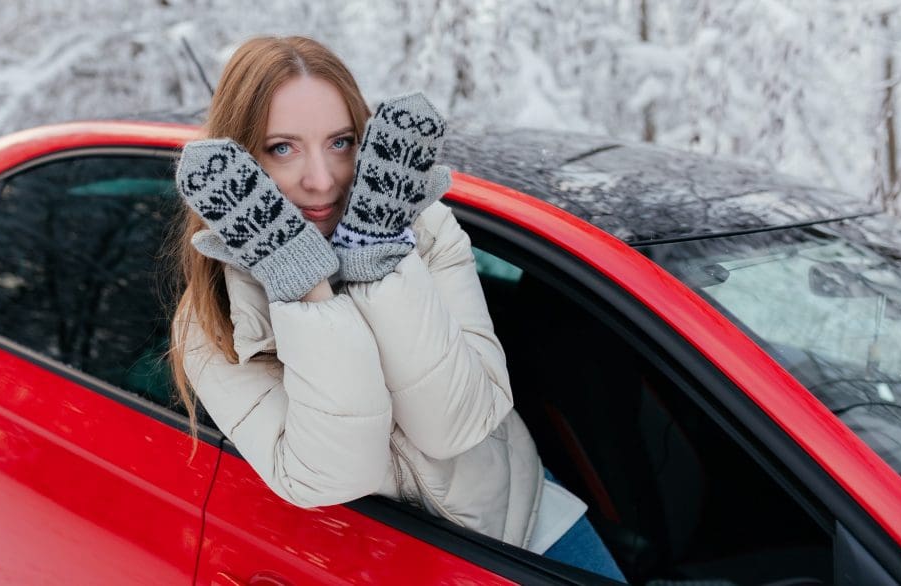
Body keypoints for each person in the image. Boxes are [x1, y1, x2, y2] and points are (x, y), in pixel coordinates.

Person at [168, 35, 625, 582]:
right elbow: (333, 475)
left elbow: (457, 427)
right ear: (240, 159)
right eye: (281, 149)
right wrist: (302, 284)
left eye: (340, 142)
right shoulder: (211, 322)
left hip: (530, 524)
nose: (321, 180)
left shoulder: (425, 233)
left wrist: (375, 256)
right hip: (405, 566)